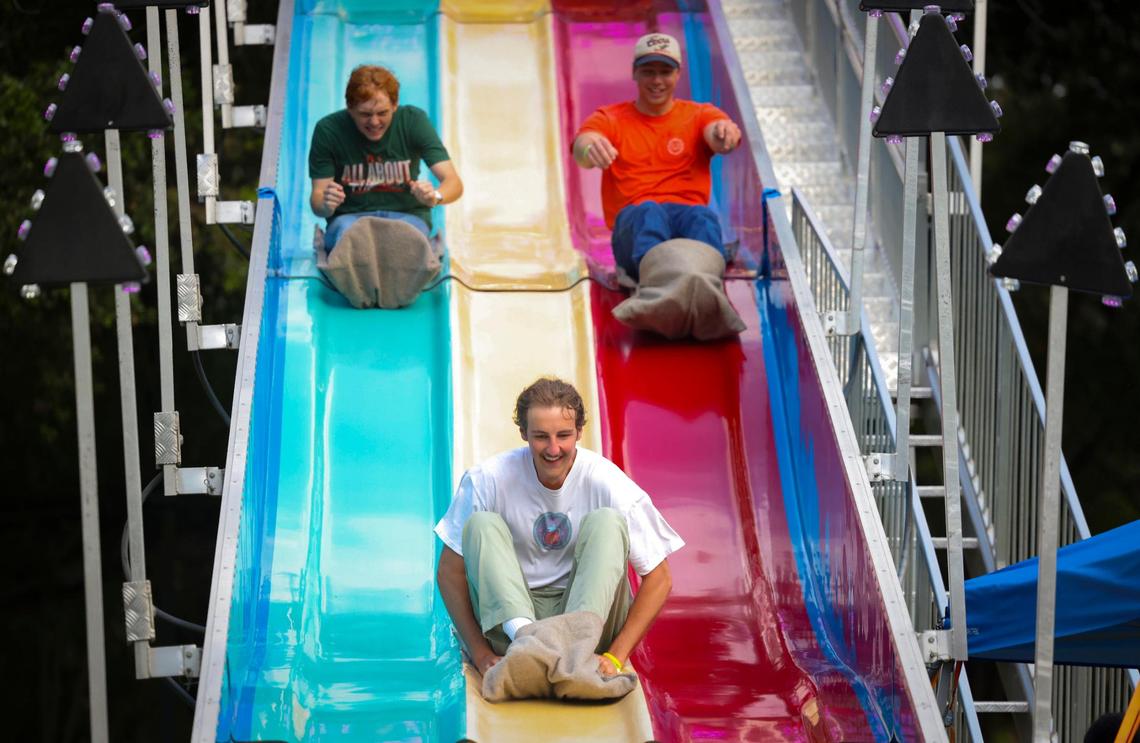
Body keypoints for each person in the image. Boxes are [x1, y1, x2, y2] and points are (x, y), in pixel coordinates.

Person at [435, 378, 683, 680]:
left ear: (579, 432)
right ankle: (527, 639)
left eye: (563, 435)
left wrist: (616, 657)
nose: (554, 449)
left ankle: (567, 648)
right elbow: (449, 571)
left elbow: (660, 578)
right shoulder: (489, 479)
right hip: (511, 627)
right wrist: (480, 652)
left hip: (588, 629)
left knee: (607, 521)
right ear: (524, 433)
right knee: (482, 525)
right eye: (541, 436)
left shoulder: (607, 482)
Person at [571, 33, 742, 282]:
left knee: (701, 217)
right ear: (634, 73)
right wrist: (590, 148)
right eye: (648, 71)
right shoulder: (610, 118)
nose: (657, 80)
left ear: (678, 74)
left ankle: (707, 278)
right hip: (635, 224)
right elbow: (583, 145)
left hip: (685, 220)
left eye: (665, 72)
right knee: (648, 212)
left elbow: (717, 132)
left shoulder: (698, 114)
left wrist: (724, 134)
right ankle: (655, 280)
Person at [309, 65, 463, 251]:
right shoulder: (329, 130)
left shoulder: (413, 121)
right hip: (350, 219)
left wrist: (434, 197)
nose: (374, 122)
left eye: (382, 113)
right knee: (351, 242)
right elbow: (318, 200)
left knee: (407, 244)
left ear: (394, 105)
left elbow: (453, 183)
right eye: (365, 114)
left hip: (407, 216)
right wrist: (326, 204)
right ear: (350, 108)